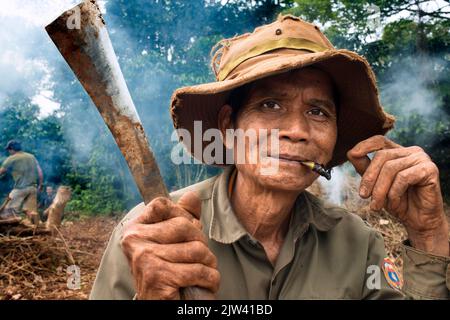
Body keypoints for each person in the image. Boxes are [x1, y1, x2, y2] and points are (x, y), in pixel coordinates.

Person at [90, 15, 449, 300]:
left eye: (318, 112)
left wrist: (429, 233)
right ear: (229, 126)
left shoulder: (356, 243)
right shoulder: (154, 233)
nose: (297, 129)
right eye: (270, 105)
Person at [0, 140, 44, 224]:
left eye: (9, 150)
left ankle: (9, 232)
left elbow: (1, 171)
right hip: (33, 188)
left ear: (12, 149)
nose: (9, 152)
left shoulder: (11, 158)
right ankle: (36, 230)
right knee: (32, 213)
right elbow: (40, 172)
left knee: (8, 212)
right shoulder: (31, 156)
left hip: (20, 189)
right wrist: (40, 185)